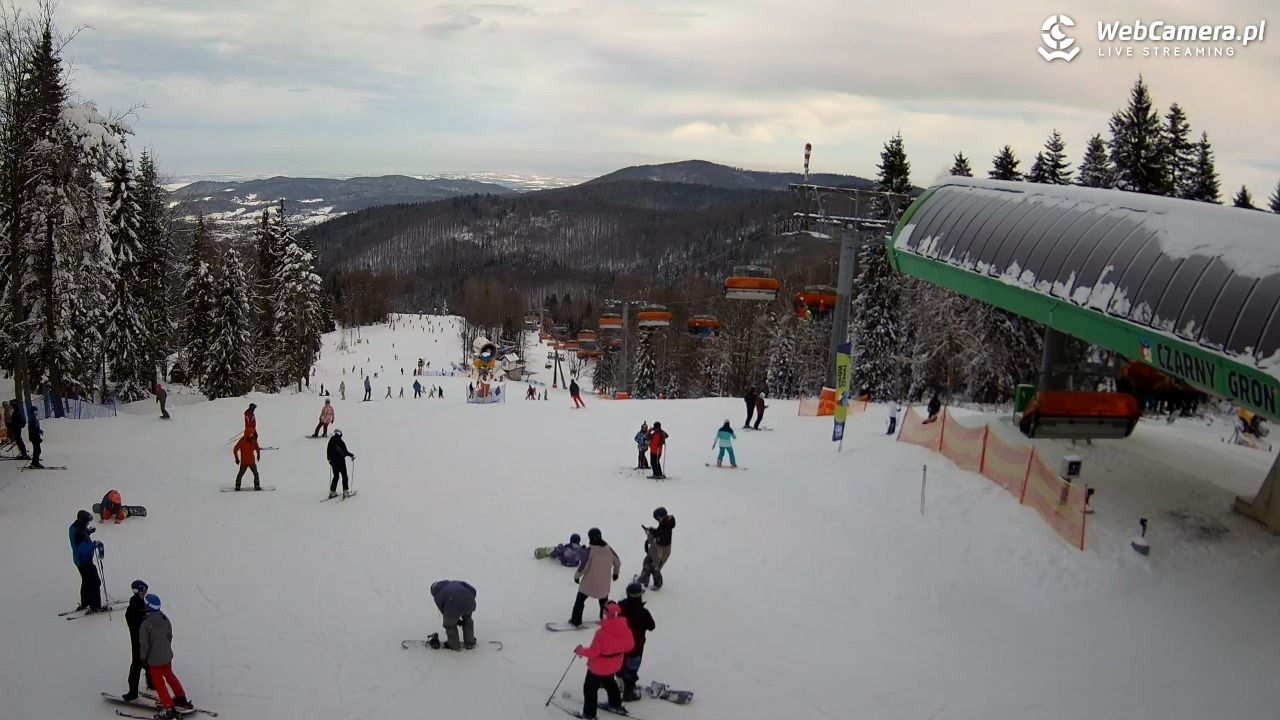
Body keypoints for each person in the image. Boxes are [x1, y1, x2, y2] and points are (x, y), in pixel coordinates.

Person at [574, 602, 634, 719]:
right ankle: (615, 704)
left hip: (597, 668)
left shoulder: (601, 633)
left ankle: (589, 714)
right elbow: (630, 647)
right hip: (614, 665)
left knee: (590, 689)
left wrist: (580, 651)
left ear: (607, 614)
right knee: (610, 683)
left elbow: (593, 653)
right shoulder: (626, 630)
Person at [139, 594, 194, 718]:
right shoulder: (165, 619)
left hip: (154, 660)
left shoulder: (146, 624)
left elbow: (144, 643)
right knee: (170, 676)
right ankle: (181, 697)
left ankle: (168, 707)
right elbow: (169, 636)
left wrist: (143, 657)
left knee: (159, 683)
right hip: (166, 657)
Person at [570, 527, 620, 626]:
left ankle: (576, 620)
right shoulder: (608, 549)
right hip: (604, 584)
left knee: (580, 600)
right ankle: (605, 619)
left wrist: (577, 576)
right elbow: (617, 561)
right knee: (603, 602)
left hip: (589, 583)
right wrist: (615, 573)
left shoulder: (590, 550)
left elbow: (583, 566)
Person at [616, 583, 655, 701]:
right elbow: (652, 626)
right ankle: (628, 691)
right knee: (632, 669)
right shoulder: (643, 613)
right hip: (636, 647)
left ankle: (619, 681)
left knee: (619, 664)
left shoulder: (620, 609)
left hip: (620, 646)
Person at [121, 579, 155, 702]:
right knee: (137, 665)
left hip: (147, 641)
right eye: (143, 591)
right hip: (138, 642)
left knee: (150, 662)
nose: (145, 593)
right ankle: (132, 692)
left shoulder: (144, 604)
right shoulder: (133, 608)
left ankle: (152, 683)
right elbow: (136, 625)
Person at [70, 510, 104, 612]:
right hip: (84, 562)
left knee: (86, 582)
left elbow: (82, 537)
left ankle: (85, 603)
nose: (88, 524)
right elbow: (82, 549)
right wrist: (94, 545)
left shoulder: (76, 527)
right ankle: (95, 606)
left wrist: (88, 532)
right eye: (87, 522)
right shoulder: (78, 532)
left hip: (80, 561)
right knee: (95, 582)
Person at [428, 580, 477, 651]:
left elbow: (444, 612)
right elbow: (473, 590)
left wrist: (455, 620)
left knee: (449, 625)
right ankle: (470, 643)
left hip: (452, 605)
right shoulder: (455, 583)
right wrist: (469, 598)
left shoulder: (437, 595)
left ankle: (454, 645)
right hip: (469, 602)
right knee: (467, 620)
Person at [635, 507, 675, 590]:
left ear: (660, 517)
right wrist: (652, 531)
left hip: (661, 550)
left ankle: (657, 583)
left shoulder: (666, 526)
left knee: (654, 566)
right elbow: (659, 532)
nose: (657, 520)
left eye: (657, 518)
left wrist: (651, 534)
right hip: (658, 548)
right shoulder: (666, 523)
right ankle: (644, 579)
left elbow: (660, 537)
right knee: (648, 561)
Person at [327, 430, 355, 499]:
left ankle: (332, 492)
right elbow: (345, 452)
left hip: (333, 462)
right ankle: (345, 492)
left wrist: (329, 459)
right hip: (341, 461)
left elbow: (328, 451)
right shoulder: (341, 442)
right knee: (344, 476)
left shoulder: (331, 441)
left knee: (336, 476)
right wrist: (351, 455)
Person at [27, 403, 43, 468]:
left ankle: (35, 462)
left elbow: (36, 428)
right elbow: (33, 430)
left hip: (35, 436)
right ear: (32, 412)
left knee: (37, 450)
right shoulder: (32, 419)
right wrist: (37, 437)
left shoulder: (33, 418)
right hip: (34, 437)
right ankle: (35, 463)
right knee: (37, 450)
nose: (36, 413)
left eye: (36, 412)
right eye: (35, 412)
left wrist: (39, 430)